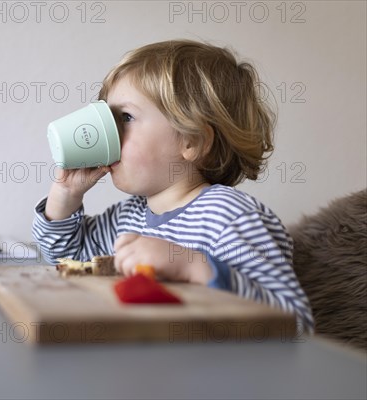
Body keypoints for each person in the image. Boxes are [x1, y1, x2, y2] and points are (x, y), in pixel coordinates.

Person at [32, 40, 314, 335]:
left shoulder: (229, 218)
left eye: (125, 118)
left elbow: (295, 322)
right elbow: (64, 256)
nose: (109, 135)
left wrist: (196, 268)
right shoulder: (128, 217)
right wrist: (66, 194)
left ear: (191, 141)